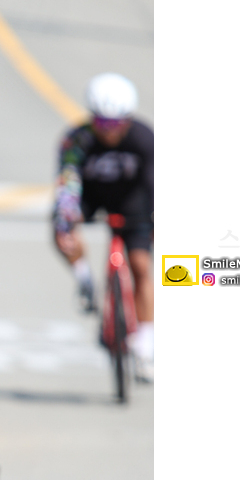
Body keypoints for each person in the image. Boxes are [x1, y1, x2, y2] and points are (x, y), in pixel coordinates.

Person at [53, 72, 156, 374]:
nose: (109, 131)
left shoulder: (144, 138)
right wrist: (66, 220)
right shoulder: (77, 140)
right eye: (102, 123)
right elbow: (67, 184)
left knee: (140, 265)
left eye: (116, 124)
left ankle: (146, 341)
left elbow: (155, 184)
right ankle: (84, 278)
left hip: (132, 201)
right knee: (62, 229)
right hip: (92, 196)